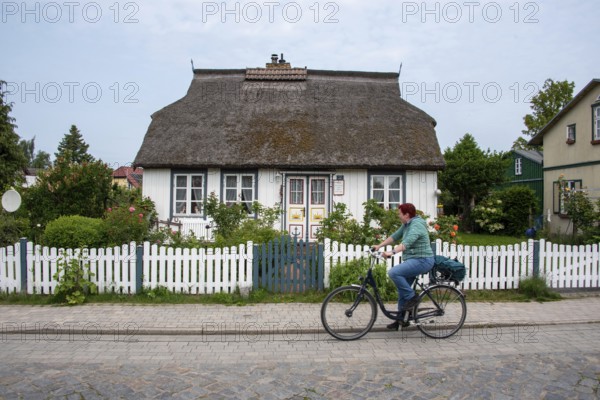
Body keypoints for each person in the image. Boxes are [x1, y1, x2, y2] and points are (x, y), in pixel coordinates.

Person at [372, 203, 434, 330]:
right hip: (414, 260)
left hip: (422, 260)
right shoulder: (407, 224)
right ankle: (401, 319)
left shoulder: (416, 225)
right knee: (402, 290)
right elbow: (394, 236)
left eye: (399, 213)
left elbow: (406, 243)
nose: (398, 216)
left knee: (394, 273)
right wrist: (379, 245)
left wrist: (391, 252)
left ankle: (413, 297)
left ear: (407, 215)